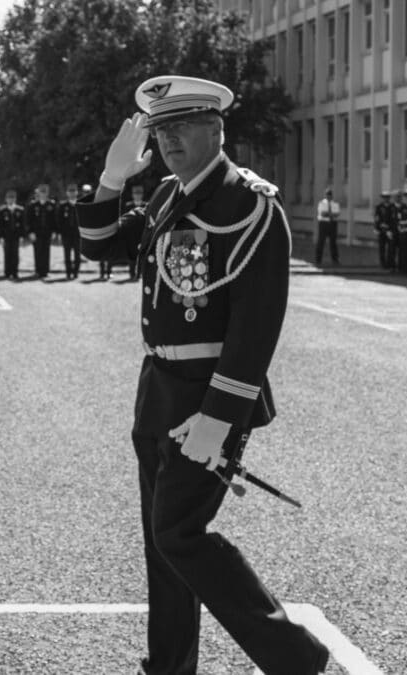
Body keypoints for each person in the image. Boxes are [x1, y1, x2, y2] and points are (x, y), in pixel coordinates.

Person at [76, 75, 329, 675]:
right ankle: (170, 667)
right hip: (158, 390)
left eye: (183, 126)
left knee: (179, 534)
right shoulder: (168, 196)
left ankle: (295, 658)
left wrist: (218, 420)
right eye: (161, 129)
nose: (169, 140)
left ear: (216, 130)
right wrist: (112, 180)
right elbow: (98, 246)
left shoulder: (250, 205)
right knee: (161, 546)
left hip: (206, 397)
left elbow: (255, 330)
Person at [25, 182, 56, 279]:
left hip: (47, 233)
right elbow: (28, 220)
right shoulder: (33, 205)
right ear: (39, 193)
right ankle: (38, 271)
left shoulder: (51, 204)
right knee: (37, 251)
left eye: (45, 192)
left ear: (47, 193)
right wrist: (30, 232)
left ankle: (45, 272)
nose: (43, 194)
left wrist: (54, 231)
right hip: (36, 233)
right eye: (41, 192)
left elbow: (54, 219)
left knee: (46, 252)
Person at [0, 188, 25, 280]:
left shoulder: (20, 210)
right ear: (6, 199)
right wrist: (1, 237)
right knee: (7, 254)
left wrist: (21, 236)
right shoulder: (2, 210)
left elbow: (22, 224)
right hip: (6, 236)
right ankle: (7, 272)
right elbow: (0, 225)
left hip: (16, 236)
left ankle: (15, 272)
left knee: (15, 254)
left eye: (12, 198)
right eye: (9, 198)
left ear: (15, 199)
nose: (10, 200)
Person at [123, 183, 149, 280]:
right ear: (132, 194)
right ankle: (131, 273)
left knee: (142, 254)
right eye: (135, 193)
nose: (137, 195)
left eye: (139, 193)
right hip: (131, 234)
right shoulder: (127, 205)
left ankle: (140, 273)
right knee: (132, 254)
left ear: (142, 194)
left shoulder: (146, 205)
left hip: (143, 233)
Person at [57, 183, 82, 279]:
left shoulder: (81, 204)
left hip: (78, 234)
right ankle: (68, 273)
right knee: (67, 255)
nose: (72, 193)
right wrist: (60, 233)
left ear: (77, 192)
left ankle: (75, 273)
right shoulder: (63, 206)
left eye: (74, 191)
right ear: (67, 193)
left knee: (77, 255)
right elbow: (59, 221)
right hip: (66, 234)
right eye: (70, 191)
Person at [314, 187, 341, 266]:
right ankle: (318, 259)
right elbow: (322, 213)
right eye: (328, 195)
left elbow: (337, 214)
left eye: (330, 195)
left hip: (333, 224)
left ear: (332, 196)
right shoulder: (321, 203)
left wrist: (329, 214)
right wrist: (331, 214)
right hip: (323, 224)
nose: (329, 197)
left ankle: (335, 259)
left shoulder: (335, 203)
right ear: (325, 196)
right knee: (321, 242)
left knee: (333, 242)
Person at [374, 190, 397, 271]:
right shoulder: (379, 207)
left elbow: (394, 219)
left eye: (387, 197)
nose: (385, 199)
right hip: (381, 230)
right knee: (382, 248)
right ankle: (382, 263)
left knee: (391, 248)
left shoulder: (393, 207)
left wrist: (391, 229)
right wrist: (377, 228)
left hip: (390, 231)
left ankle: (390, 263)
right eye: (384, 197)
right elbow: (377, 218)